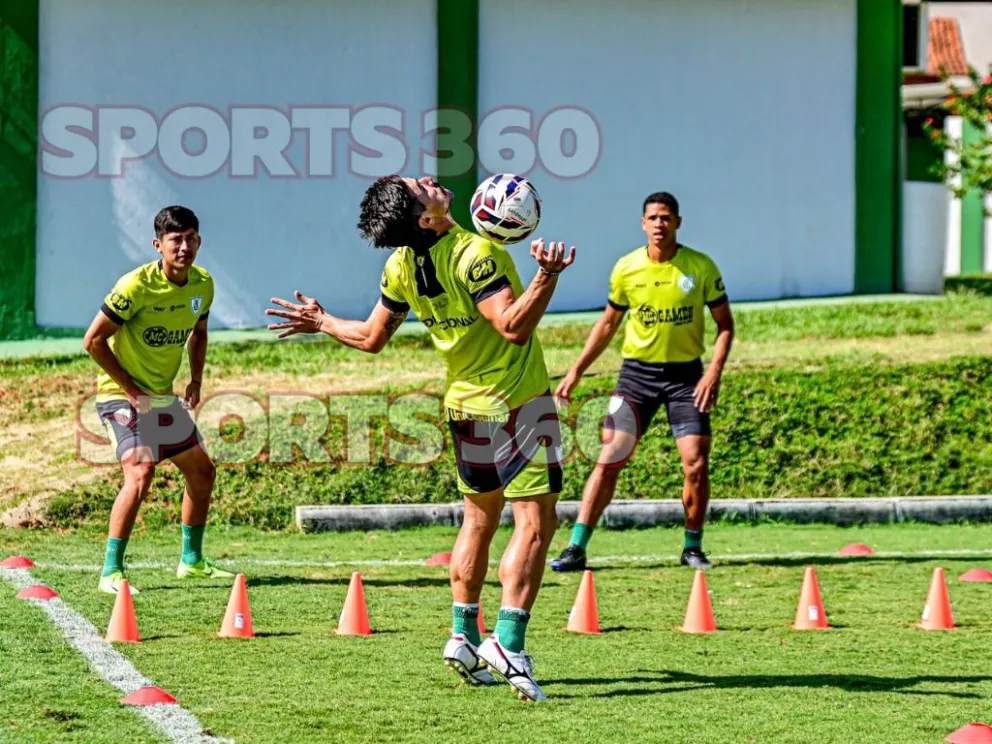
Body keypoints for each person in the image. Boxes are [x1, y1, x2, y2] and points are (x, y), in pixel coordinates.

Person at [266, 176, 575, 702]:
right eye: (420, 187)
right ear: (425, 218)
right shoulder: (479, 252)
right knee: (536, 525)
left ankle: (463, 634)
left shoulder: (401, 265)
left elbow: (370, 338)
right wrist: (545, 276)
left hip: (464, 409)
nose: (429, 180)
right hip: (518, 405)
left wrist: (321, 321)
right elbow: (513, 327)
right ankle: (509, 642)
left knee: (478, 522)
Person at [551, 191, 734, 572]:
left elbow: (725, 326)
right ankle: (576, 547)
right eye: (652, 218)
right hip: (636, 376)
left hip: (686, 378)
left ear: (678, 223)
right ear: (642, 223)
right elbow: (607, 325)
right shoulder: (626, 268)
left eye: (666, 217)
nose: (659, 224)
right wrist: (576, 369)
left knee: (695, 464)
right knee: (609, 457)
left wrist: (713, 372)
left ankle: (692, 547)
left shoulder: (699, 267)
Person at [83, 206, 234, 595]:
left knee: (202, 472)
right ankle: (111, 573)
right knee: (140, 471)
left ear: (199, 240)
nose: (184, 247)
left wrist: (196, 379)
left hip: (162, 399)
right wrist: (132, 390)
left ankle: (192, 562)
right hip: (121, 394)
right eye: (175, 240)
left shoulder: (203, 285)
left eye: (191, 238)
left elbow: (199, 333)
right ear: (158, 245)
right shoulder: (135, 286)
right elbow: (93, 341)